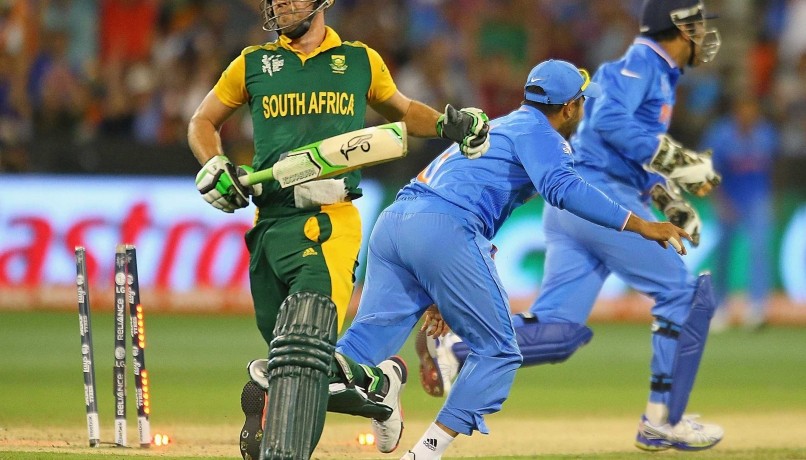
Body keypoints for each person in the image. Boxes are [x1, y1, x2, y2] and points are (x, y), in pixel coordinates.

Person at [335, 57, 692, 460]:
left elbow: (462, 192)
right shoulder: (540, 134)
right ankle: (425, 454)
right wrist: (641, 225)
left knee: (361, 345)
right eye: (580, 101)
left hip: (395, 222)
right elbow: (564, 189)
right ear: (569, 107)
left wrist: (439, 284)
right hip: (444, 228)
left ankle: (355, 389)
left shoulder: (500, 124)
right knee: (499, 351)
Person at [417, 0, 727, 452]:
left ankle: (457, 348)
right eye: (695, 24)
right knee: (683, 294)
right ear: (678, 28)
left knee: (559, 329)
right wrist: (675, 160)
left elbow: (609, 144)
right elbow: (608, 121)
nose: (702, 34)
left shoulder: (657, 73)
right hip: (598, 197)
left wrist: (663, 193)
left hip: (579, 200)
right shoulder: (644, 63)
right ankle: (664, 420)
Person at [186, 1, 490, 459]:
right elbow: (202, 121)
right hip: (268, 222)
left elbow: (403, 112)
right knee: (295, 364)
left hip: (330, 221)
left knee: (302, 349)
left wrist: (448, 124)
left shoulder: (359, 61)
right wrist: (215, 162)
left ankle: (289, 443)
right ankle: (379, 385)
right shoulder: (252, 64)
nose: (282, 4)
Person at [700, 97, 779, 330]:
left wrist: (773, 197)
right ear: (736, 112)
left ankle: (757, 307)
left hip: (757, 199)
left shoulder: (766, 134)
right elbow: (708, 170)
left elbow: (774, 167)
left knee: (759, 249)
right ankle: (720, 306)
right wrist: (720, 202)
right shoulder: (720, 134)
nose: (748, 116)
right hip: (728, 198)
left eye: (752, 111)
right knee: (723, 254)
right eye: (744, 110)